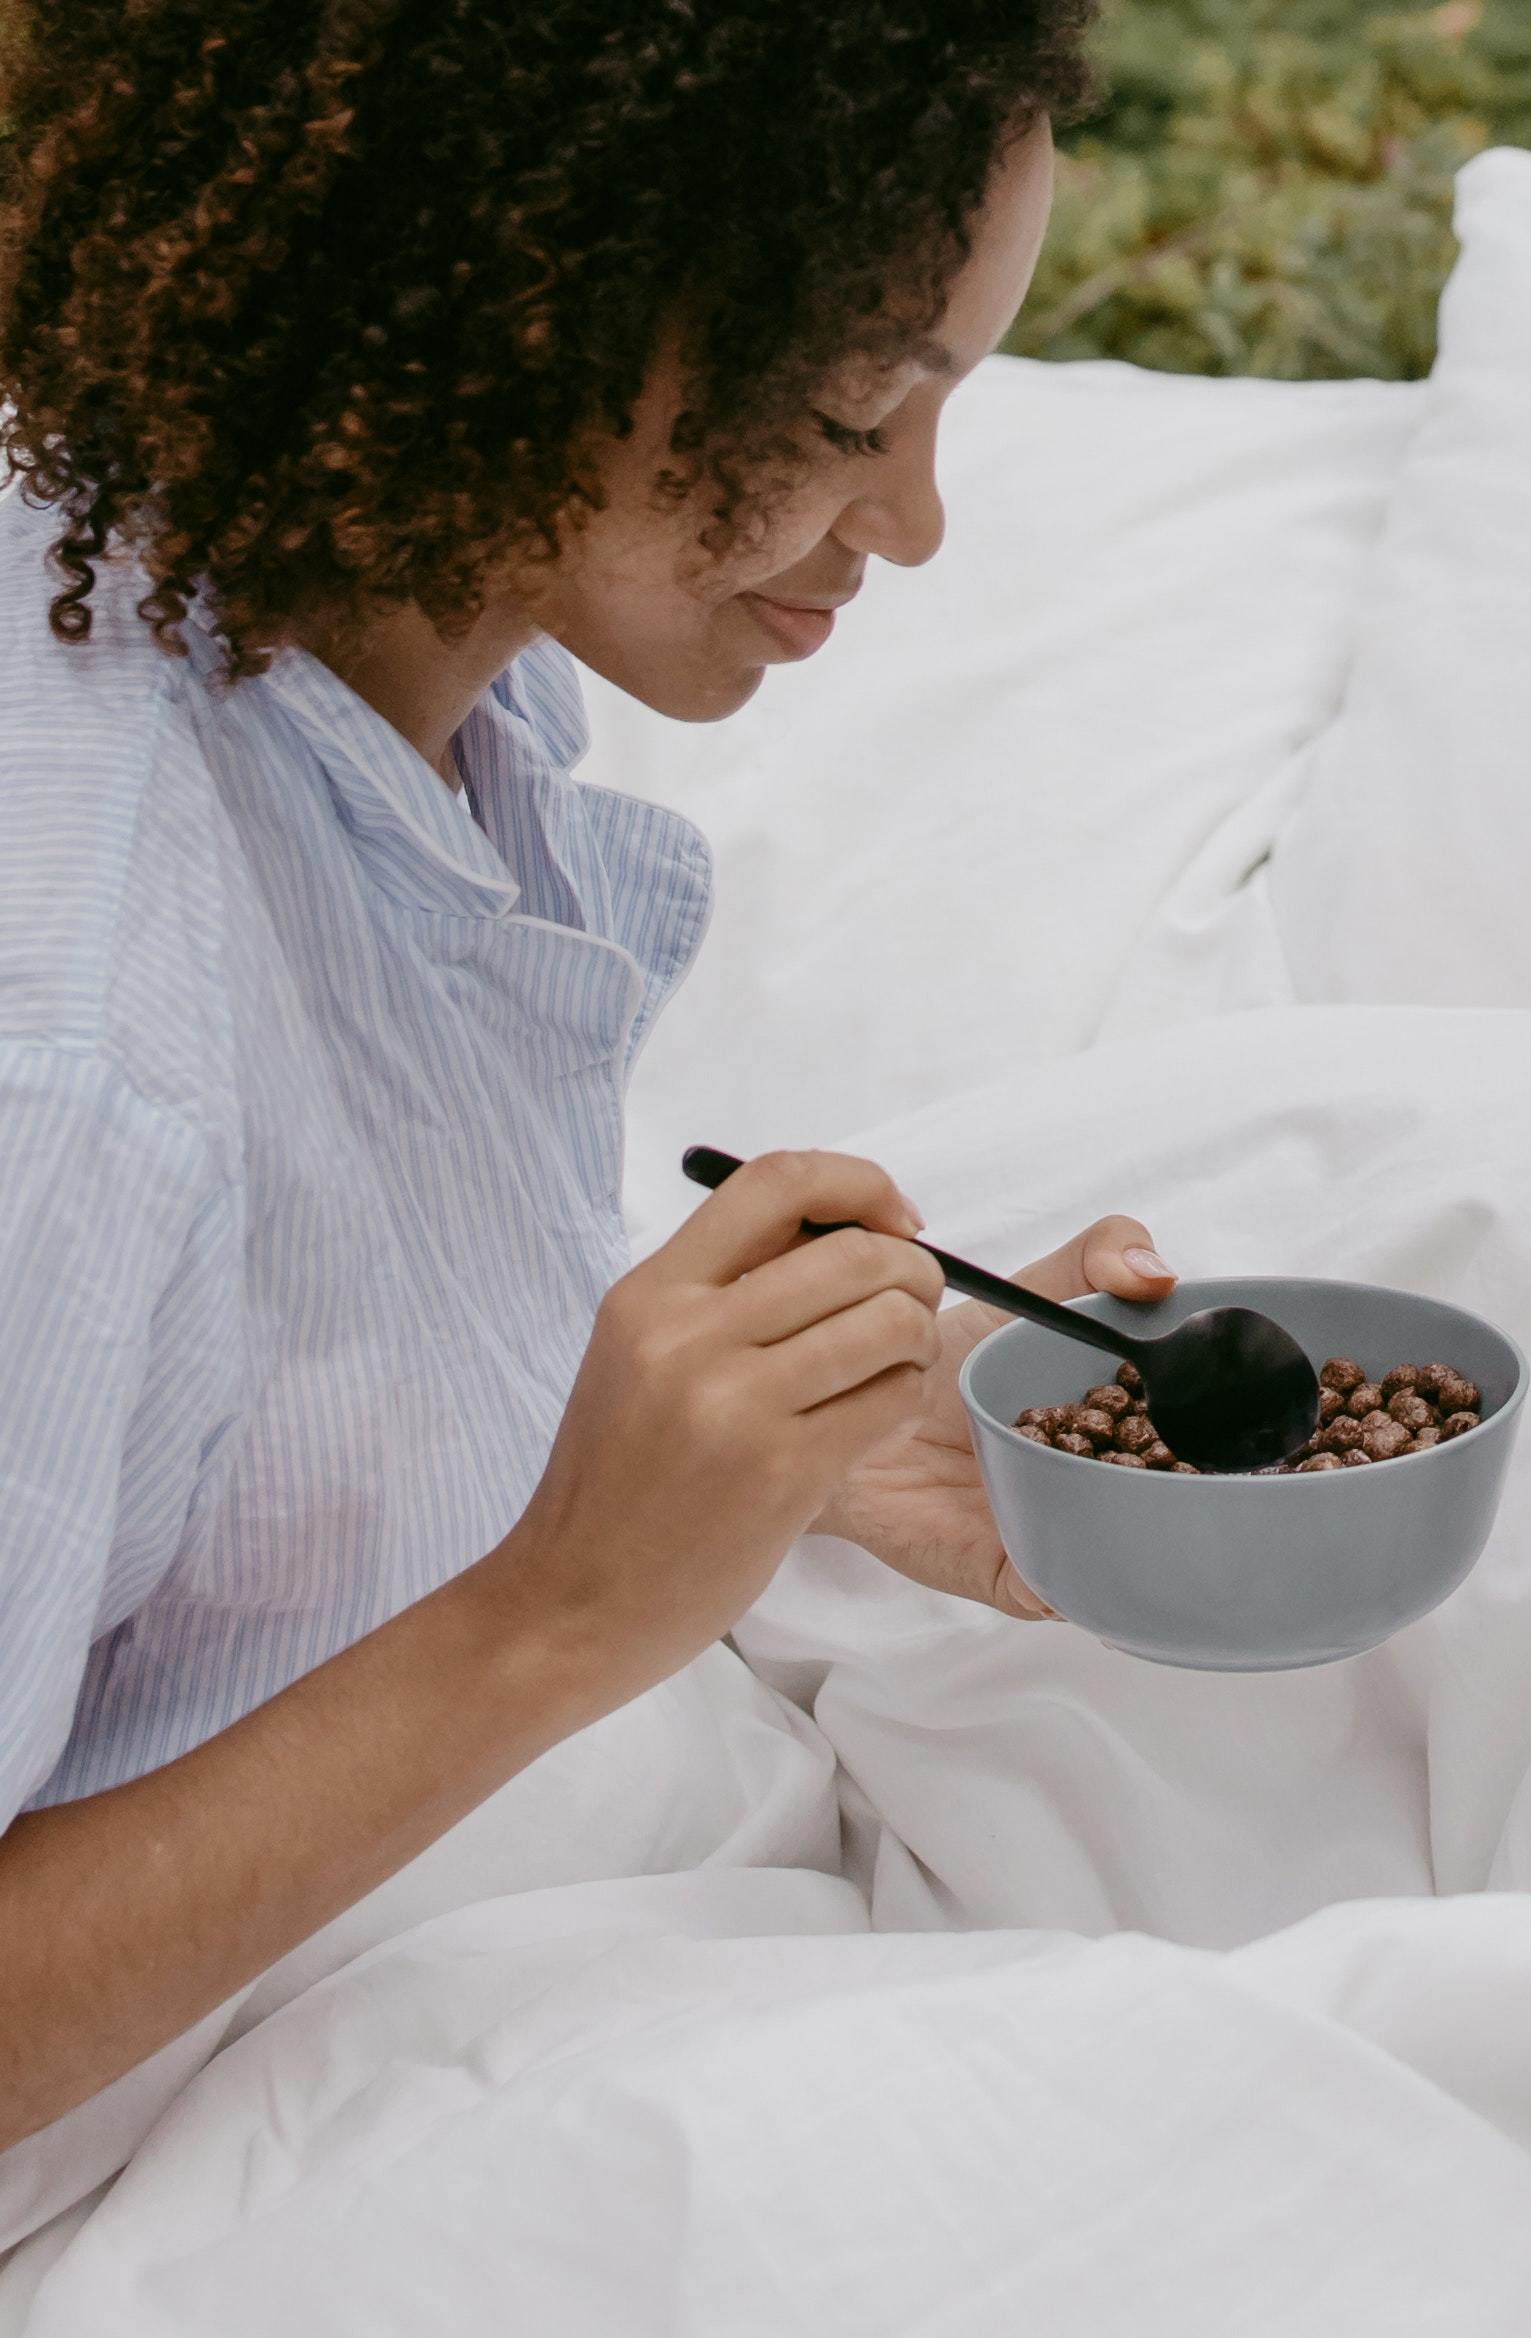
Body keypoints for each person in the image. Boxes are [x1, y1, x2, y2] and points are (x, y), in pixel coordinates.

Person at [0, 0, 1134, 2150]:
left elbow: (249, 1389)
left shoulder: (351, 630)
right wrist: (561, 1608)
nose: (914, 521)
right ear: (512, 316)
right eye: (853, 407)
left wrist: (782, 1461)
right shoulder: (64, 1055)